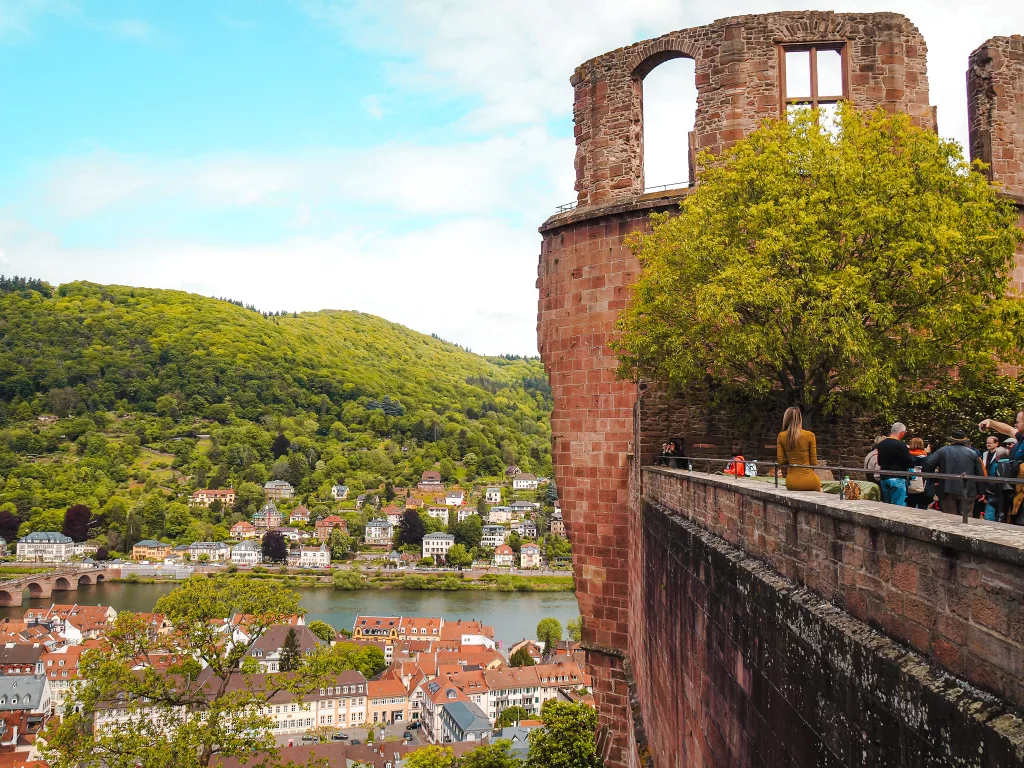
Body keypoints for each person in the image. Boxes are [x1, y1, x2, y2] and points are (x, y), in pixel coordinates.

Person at [923, 430, 984, 516]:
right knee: (966, 518)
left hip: (947, 488)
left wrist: (934, 479)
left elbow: (929, 463)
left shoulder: (943, 451)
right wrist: (981, 491)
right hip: (968, 489)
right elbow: (979, 473)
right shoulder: (973, 453)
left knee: (950, 517)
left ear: (952, 440)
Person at [775, 407, 821, 492]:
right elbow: (814, 463)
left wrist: (791, 459)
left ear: (786, 419)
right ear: (800, 419)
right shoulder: (810, 435)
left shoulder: (781, 436)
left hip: (791, 482)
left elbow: (780, 461)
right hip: (809, 480)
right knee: (820, 488)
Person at [876, 422, 916, 506]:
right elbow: (910, 463)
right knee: (898, 507)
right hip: (897, 478)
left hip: (884, 477)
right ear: (902, 433)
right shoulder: (900, 445)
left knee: (886, 506)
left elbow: (879, 462)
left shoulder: (881, 444)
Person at [979, 435, 1008, 521]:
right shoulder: (984, 454)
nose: (988, 444)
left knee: (993, 507)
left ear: (996, 443)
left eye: (990, 443)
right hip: (985, 482)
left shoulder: (1001, 452)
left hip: (996, 484)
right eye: (987, 443)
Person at [905, 437, 931, 510]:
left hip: (909, 485)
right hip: (923, 486)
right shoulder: (926, 458)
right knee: (922, 508)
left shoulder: (906, 456)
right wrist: (929, 453)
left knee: (910, 508)